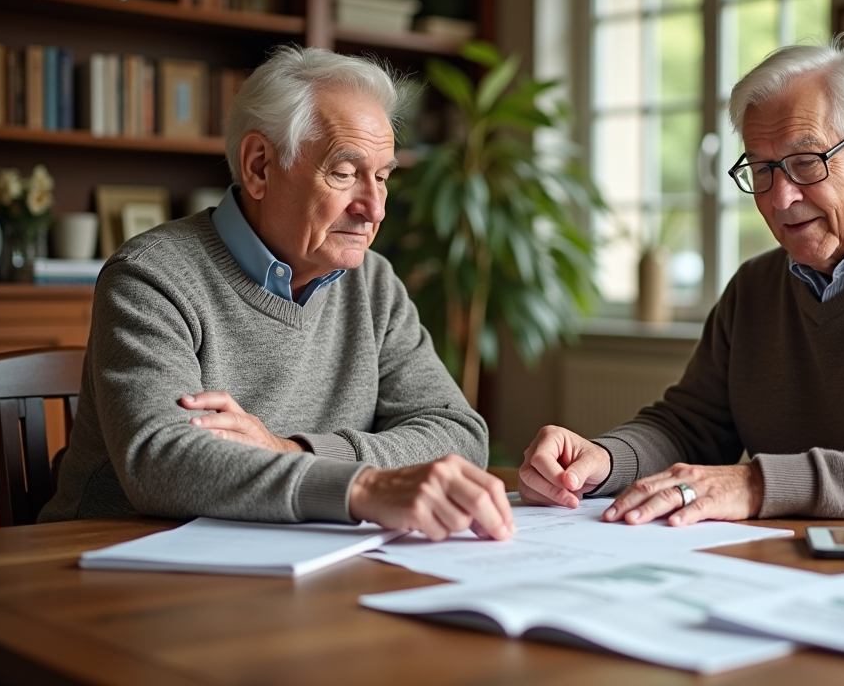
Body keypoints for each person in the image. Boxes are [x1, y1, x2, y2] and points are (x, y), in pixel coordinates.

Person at [519, 38, 844, 529]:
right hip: (813, 566)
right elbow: (690, 426)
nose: (779, 199)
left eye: (806, 163)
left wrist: (757, 484)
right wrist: (604, 459)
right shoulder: (755, 286)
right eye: (761, 170)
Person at [41, 46, 514, 542]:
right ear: (260, 166)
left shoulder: (374, 283)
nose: (374, 208)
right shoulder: (151, 277)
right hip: (114, 561)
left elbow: (459, 435)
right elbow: (164, 462)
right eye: (346, 172)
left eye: (383, 177)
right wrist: (362, 487)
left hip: (288, 556)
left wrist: (297, 453)